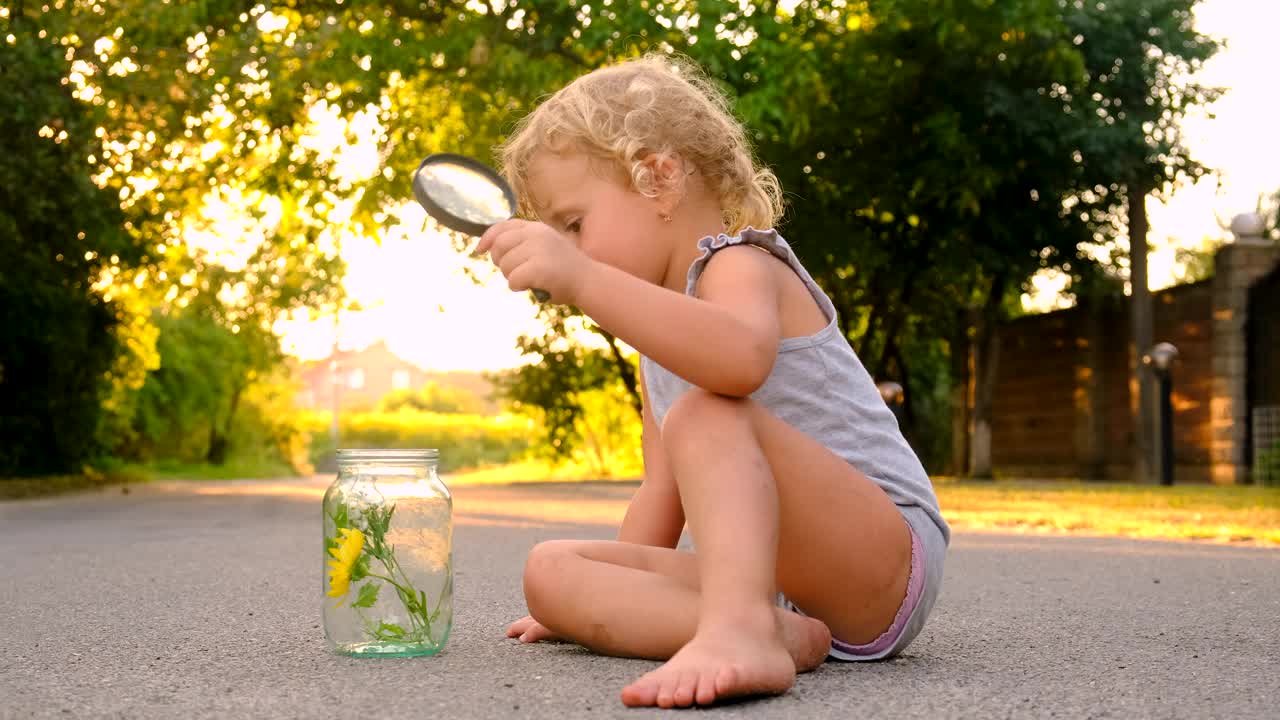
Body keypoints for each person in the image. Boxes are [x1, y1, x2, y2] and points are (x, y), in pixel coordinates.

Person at [473, 54, 949, 709]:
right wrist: (600, 605)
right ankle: (776, 632)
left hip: (881, 560)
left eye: (574, 224)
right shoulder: (657, 342)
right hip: (775, 586)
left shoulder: (738, 263)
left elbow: (739, 362)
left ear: (659, 179)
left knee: (704, 412)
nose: (567, 251)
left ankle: (742, 632)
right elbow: (661, 489)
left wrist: (582, 279)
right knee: (551, 571)